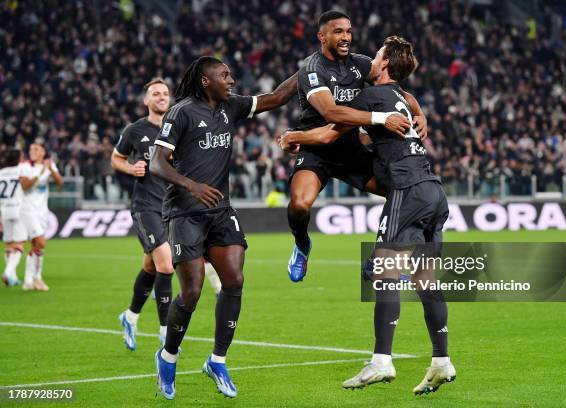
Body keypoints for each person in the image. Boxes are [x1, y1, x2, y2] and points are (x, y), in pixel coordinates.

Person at [281, 36, 455, 395]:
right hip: (434, 191)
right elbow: (406, 105)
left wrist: (295, 135)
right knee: (427, 280)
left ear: (386, 63)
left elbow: (332, 131)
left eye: (377, 55)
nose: (371, 59)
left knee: (379, 270)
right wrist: (420, 115)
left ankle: (381, 361)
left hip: (406, 190)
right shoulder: (402, 98)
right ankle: (441, 361)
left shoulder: (373, 96)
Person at [150, 56, 297, 400]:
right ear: (205, 80)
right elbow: (156, 162)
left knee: (234, 281)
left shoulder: (231, 107)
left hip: (220, 211)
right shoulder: (181, 112)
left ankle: (217, 361)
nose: (231, 80)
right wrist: (191, 185)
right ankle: (168, 356)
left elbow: (276, 97)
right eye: (225, 75)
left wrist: (310, 68)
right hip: (185, 212)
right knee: (192, 292)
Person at [286, 10, 427, 283]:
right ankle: (302, 244)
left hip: (351, 151)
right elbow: (331, 113)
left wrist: (420, 114)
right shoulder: (312, 70)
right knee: (300, 206)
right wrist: (381, 118)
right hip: (317, 148)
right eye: (338, 31)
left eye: (348, 31)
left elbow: (398, 91)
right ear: (322, 36)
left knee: (403, 194)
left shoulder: (360, 65)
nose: (346, 37)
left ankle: (377, 260)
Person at [112, 78, 178, 351]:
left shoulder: (178, 128)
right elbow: (115, 158)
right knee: (166, 265)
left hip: (171, 206)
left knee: (151, 267)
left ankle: (130, 317)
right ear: (146, 100)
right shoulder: (135, 130)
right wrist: (131, 168)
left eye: (165, 93)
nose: (162, 97)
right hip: (145, 206)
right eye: (156, 94)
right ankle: (166, 335)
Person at [19, 139, 63, 291]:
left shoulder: (48, 165)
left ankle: (31, 279)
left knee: (38, 246)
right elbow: (24, 186)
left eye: (36, 149)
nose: (33, 152)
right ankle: (33, 278)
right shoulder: (24, 166)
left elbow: (59, 183)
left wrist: (51, 169)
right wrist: (40, 172)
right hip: (27, 211)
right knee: (40, 243)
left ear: (43, 152)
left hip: (42, 212)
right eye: (31, 149)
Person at [0, 149, 27, 287]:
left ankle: (13, 277)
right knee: (20, 243)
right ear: (18, 158)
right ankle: (8, 271)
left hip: (4, 209)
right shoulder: (20, 169)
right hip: (18, 209)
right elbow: (27, 185)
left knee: (9, 244)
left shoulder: (1, 172)